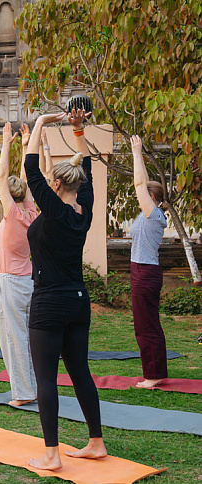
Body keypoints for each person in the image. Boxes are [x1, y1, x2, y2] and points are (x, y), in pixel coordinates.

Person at [24, 109, 107, 470]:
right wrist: (77, 130)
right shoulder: (82, 210)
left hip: (50, 302)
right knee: (80, 372)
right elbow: (87, 169)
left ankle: (52, 454)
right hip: (77, 301)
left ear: (56, 184)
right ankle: (96, 442)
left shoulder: (56, 210)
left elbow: (28, 167)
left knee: (46, 377)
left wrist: (42, 121)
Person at [0, 122, 38, 406]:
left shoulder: (12, 215)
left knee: (13, 339)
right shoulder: (31, 211)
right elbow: (27, 181)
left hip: (11, 281)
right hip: (28, 280)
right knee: (26, 337)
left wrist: (7, 143)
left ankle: (23, 393)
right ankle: (30, 387)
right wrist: (25, 146)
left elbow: (1, 175)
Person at [129, 135, 169, 389]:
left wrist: (136, 152)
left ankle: (153, 375)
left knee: (147, 325)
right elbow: (141, 185)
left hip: (145, 272)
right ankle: (154, 372)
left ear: (151, 197)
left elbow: (139, 182)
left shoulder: (153, 214)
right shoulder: (149, 214)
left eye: (143, 194)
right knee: (144, 324)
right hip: (141, 270)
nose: (137, 196)